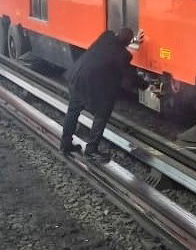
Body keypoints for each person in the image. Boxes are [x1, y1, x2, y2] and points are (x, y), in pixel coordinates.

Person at [60, 27, 146, 162]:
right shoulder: (123, 55)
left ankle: (65, 144)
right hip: (90, 86)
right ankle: (91, 150)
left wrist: (134, 39)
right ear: (128, 43)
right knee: (102, 113)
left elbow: (119, 41)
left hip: (76, 78)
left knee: (73, 111)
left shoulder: (106, 36)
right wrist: (146, 85)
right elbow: (130, 78)